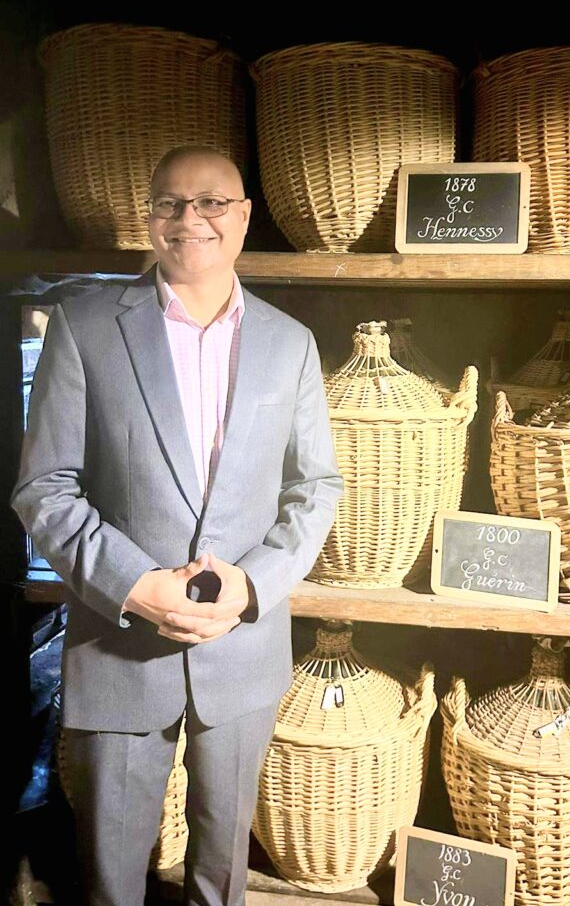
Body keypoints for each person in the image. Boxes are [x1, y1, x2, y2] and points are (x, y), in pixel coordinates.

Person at [12, 146, 343, 906]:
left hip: (244, 649)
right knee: (110, 880)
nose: (190, 218)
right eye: (170, 202)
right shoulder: (83, 327)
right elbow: (44, 487)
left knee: (221, 875)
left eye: (212, 202)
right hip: (120, 646)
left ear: (244, 217)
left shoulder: (289, 343)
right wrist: (135, 585)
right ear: (150, 215)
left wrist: (251, 586)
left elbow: (315, 487)